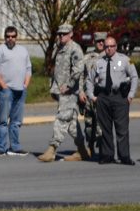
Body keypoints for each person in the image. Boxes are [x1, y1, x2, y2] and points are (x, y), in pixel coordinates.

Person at [38, 23, 89, 162]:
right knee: (71, 123)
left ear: (71, 34)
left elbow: (79, 69)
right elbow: (58, 70)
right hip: (60, 91)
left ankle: (52, 149)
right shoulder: (61, 48)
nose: (61, 36)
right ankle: (82, 151)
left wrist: (69, 85)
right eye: (59, 33)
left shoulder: (75, 49)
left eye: (64, 33)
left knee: (61, 119)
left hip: (70, 92)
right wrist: (53, 87)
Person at [87, 35, 137, 165]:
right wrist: (92, 96)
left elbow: (134, 77)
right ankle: (107, 155)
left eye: (111, 46)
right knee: (105, 129)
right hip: (103, 97)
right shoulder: (98, 62)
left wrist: (131, 94)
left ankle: (124, 156)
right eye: (107, 46)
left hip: (120, 97)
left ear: (116, 46)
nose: (109, 49)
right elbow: (89, 80)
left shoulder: (125, 60)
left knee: (122, 129)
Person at [0, 26, 32, 156]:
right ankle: (1, 147)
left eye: (13, 36)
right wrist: (3, 86)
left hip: (20, 90)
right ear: (4, 37)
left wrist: (26, 84)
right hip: (6, 91)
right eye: (8, 36)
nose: (10, 39)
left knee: (16, 121)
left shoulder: (23, 51)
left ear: (16, 37)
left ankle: (15, 147)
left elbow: (28, 68)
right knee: (3, 121)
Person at [82, 32, 107, 157]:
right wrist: (81, 92)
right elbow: (81, 76)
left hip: (102, 96)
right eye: (98, 41)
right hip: (88, 97)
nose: (101, 43)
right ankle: (90, 147)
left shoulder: (110, 57)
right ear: (94, 43)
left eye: (103, 41)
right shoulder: (87, 57)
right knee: (89, 124)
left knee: (101, 124)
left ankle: (103, 148)